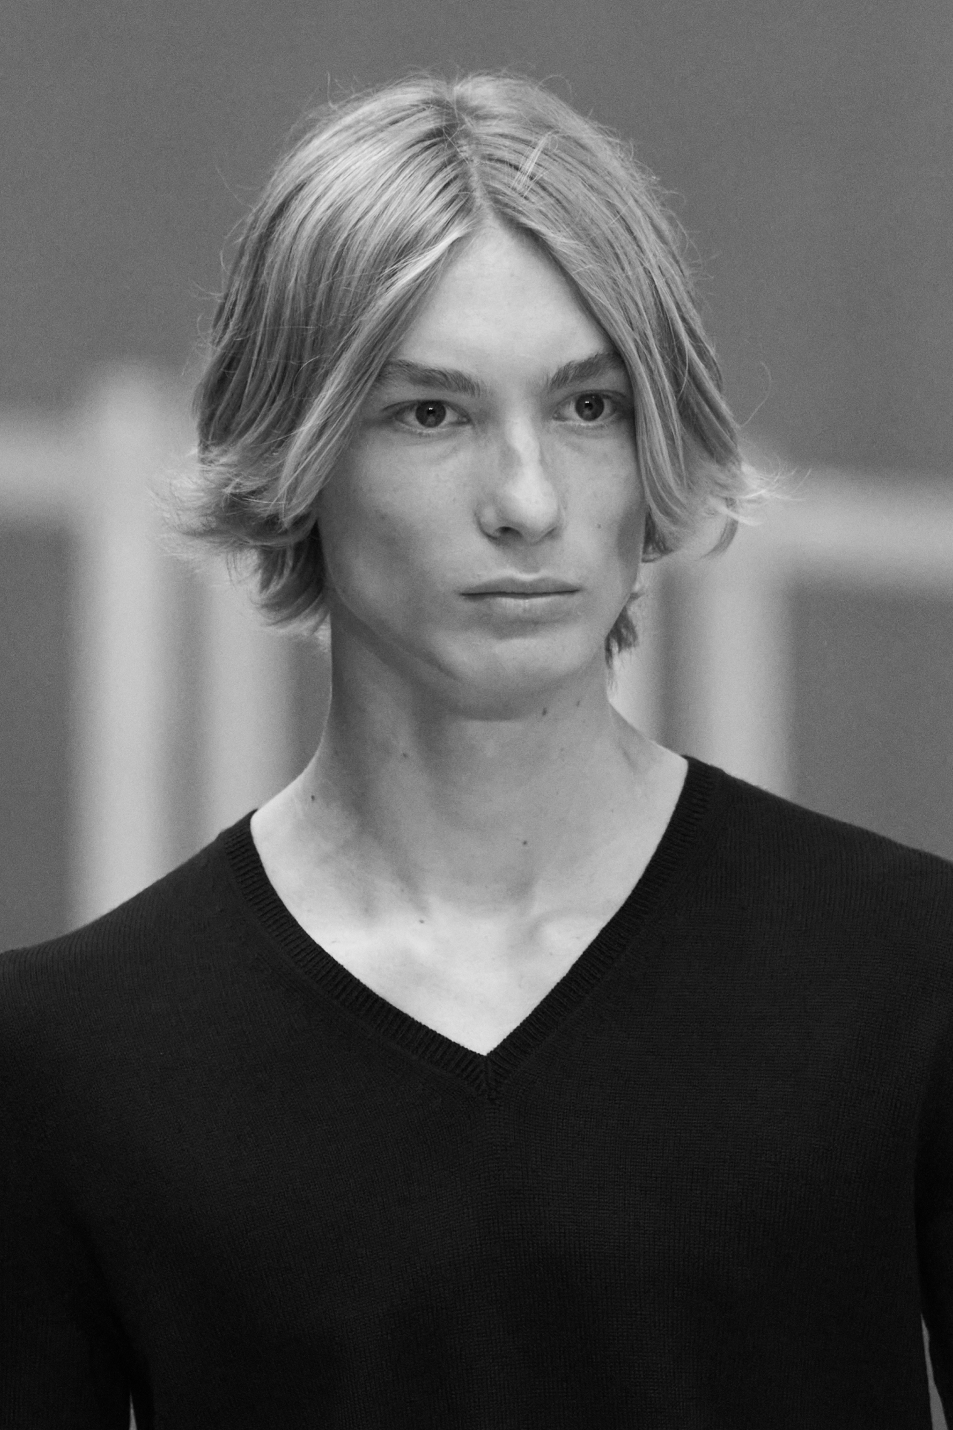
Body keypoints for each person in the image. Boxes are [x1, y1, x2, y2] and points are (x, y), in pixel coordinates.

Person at [1, 71, 951, 1430]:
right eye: (430, 413)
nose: (526, 499)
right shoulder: (71, 1061)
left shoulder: (906, 974)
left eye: (587, 406)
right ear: (299, 453)